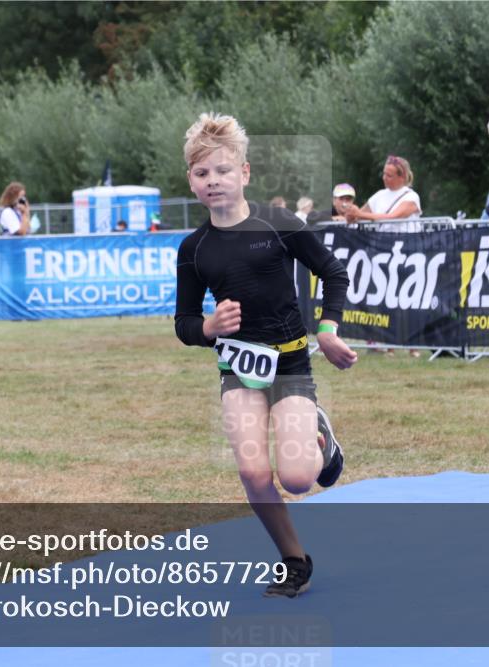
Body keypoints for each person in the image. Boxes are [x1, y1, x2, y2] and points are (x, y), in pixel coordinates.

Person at [174, 112, 357, 598]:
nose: (213, 181)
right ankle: (294, 560)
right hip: (237, 367)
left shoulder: (278, 224)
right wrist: (208, 328)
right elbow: (183, 322)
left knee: (296, 479)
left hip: (290, 362)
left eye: (223, 170)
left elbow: (333, 272)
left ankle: (320, 438)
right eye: (202, 173)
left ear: (245, 172)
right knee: (254, 474)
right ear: (190, 181)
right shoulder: (193, 248)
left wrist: (328, 329)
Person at [344, 155, 422, 232]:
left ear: (402, 177)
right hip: (382, 238)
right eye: (384, 174)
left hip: (405, 238)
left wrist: (358, 214)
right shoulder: (379, 194)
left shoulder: (411, 196)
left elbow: (393, 217)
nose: (384, 178)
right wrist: (351, 215)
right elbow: (359, 215)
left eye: (389, 176)